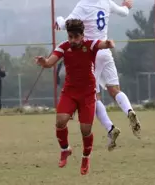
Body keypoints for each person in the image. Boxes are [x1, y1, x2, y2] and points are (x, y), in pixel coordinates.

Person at [55, 0, 141, 151]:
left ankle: (110, 128)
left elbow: (65, 24)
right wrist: (127, 6)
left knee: (93, 97)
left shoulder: (83, 5)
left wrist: (58, 19)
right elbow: (124, 12)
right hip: (105, 50)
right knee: (115, 89)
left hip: (90, 52)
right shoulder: (106, 2)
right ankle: (129, 111)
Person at [35, 19, 115, 175]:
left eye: (75, 37)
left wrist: (109, 43)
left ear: (82, 35)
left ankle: (86, 157)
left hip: (87, 94)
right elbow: (50, 62)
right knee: (60, 120)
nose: (72, 40)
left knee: (85, 130)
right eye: (70, 37)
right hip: (70, 92)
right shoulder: (64, 47)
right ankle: (65, 149)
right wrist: (44, 61)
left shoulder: (90, 45)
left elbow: (102, 44)